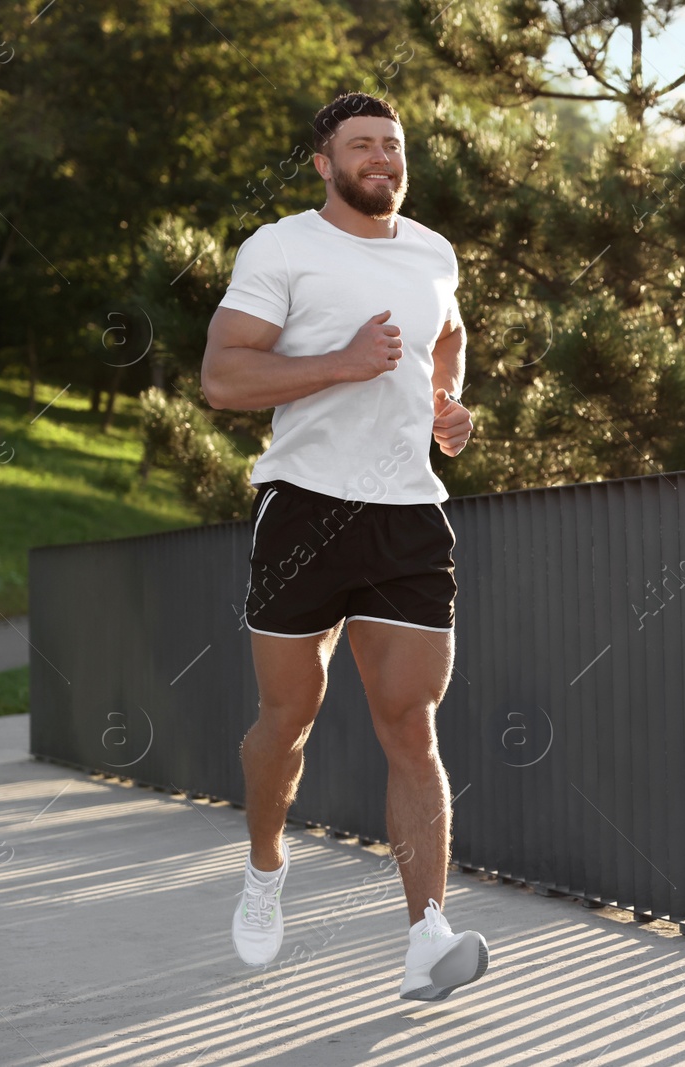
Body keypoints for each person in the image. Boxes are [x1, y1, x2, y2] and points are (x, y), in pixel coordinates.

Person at [200, 89, 485, 1001]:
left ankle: (427, 936)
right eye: (361, 145)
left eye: (393, 146)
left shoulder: (435, 251)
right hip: (303, 509)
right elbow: (223, 375)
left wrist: (447, 404)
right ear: (324, 163)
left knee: (411, 723)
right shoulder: (282, 247)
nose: (382, 159)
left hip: (407, 512)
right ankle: (265, 864)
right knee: (289, 718)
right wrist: (342, 363)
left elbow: (449, 332)